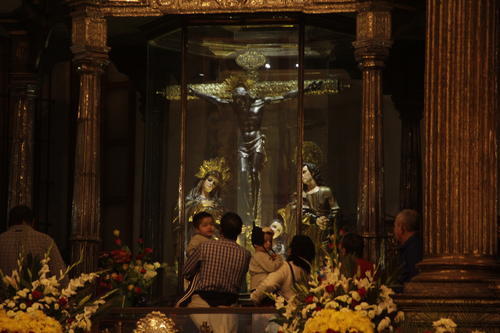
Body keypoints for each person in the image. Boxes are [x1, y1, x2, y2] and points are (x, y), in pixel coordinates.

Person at [189, 80, 322, 223]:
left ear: (246, 95)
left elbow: (285, 96)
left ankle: (255, 206)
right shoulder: (235, 105)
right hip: (243, 145)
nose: (238, 102)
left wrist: (306, 89)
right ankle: (247, 207)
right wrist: (194, 92)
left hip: (256, 142)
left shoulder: (260, 102)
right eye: (236, 99)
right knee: (243, 175)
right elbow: (215, 99)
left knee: (254, 173)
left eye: (240, 98)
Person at [184, 212, 251, 333]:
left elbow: (187, 271)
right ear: (239, 231)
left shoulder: (205, 246)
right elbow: (241, 281)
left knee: (179, 309)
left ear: (220, 229)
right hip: (230, 307)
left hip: (202, 304)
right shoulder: (245, 254)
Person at [0, 205, 67, 281]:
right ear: (32, 221)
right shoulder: (45, 241)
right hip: (37, 292)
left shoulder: (1, 240)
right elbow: (61, 276)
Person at [250, 235, 315, 304]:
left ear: (292, 249)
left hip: (286, 310)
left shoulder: (286, 267)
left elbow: (269, 284)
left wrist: (255, 297)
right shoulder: (307, 270)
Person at [176, 212, 217, 307]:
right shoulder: (197, 239)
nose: (209, 227)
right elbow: (190, 251)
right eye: (205, 225)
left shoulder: (212, 240)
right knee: (191, 289)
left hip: (206, 272)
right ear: (197, 229)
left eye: (211, 224)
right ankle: (180, 303)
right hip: (198, 271)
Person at [249, 226, 283, 293]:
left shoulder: (263, 254)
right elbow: (272, 267)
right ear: (256, 244)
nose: (269, 243)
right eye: (265, 241)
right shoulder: (259, 255)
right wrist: (278, 259)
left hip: (260, 286)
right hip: (259, 287)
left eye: (270, 241)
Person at [393, 209, 423, 284]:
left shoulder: (413, 249)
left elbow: (411, 278)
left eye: (395, 226)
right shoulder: (417, 243)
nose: (394, 230)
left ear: (402, 228)